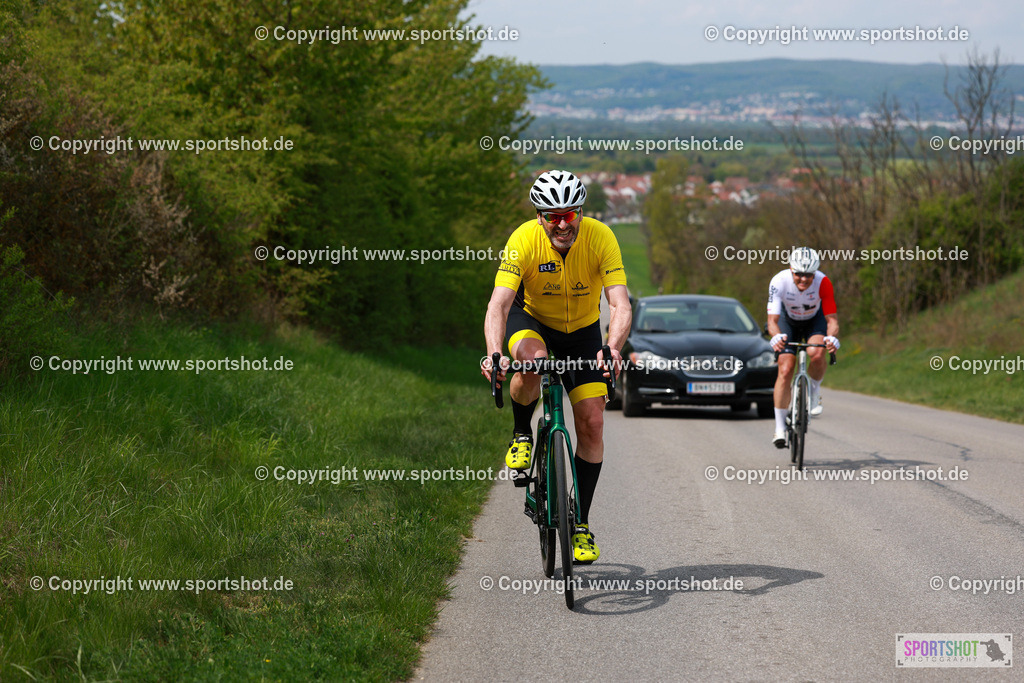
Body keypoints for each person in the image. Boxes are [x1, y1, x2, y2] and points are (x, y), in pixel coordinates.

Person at [481, 170, 632, 563]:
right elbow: (498, 305)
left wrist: (612, 347)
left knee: (593, 422)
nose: (562, 223)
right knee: (532, 363)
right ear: (539, 217)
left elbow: (619, 303)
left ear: (581, 212)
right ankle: (520, 433)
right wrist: (495, 353)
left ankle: (579, 524)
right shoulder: (523, 240)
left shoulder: (601, 237)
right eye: (553, 216)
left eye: (570, 214)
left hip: (582, 331)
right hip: (531, 321)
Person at [766, 247, 840, 448]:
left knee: (816, 353)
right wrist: (776, 336)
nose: (803, 279)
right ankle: (780, 428)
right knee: (786, 367)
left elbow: (831, 320)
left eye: (808, 274)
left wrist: (831, 338)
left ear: (815, 272)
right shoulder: (779, 281)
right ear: (791, 269)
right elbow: (772, 320)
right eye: (798, 274)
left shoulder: (823, 282)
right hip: (786, 321)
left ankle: (815, 392)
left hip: (813, 321)